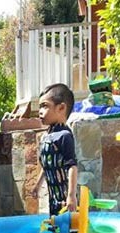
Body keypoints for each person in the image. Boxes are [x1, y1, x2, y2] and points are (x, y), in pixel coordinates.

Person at [35, 83, 79, 215]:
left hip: (65, 199)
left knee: (68, 230)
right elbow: (47, 164)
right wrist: (38, 185)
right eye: (40, 107)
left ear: (61, 108)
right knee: (56, 229)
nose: (40, 111)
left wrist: (71, 195)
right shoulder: (47, 136)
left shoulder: (64, 136)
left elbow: (72, 166)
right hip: (53, 198)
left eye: (45, 106)